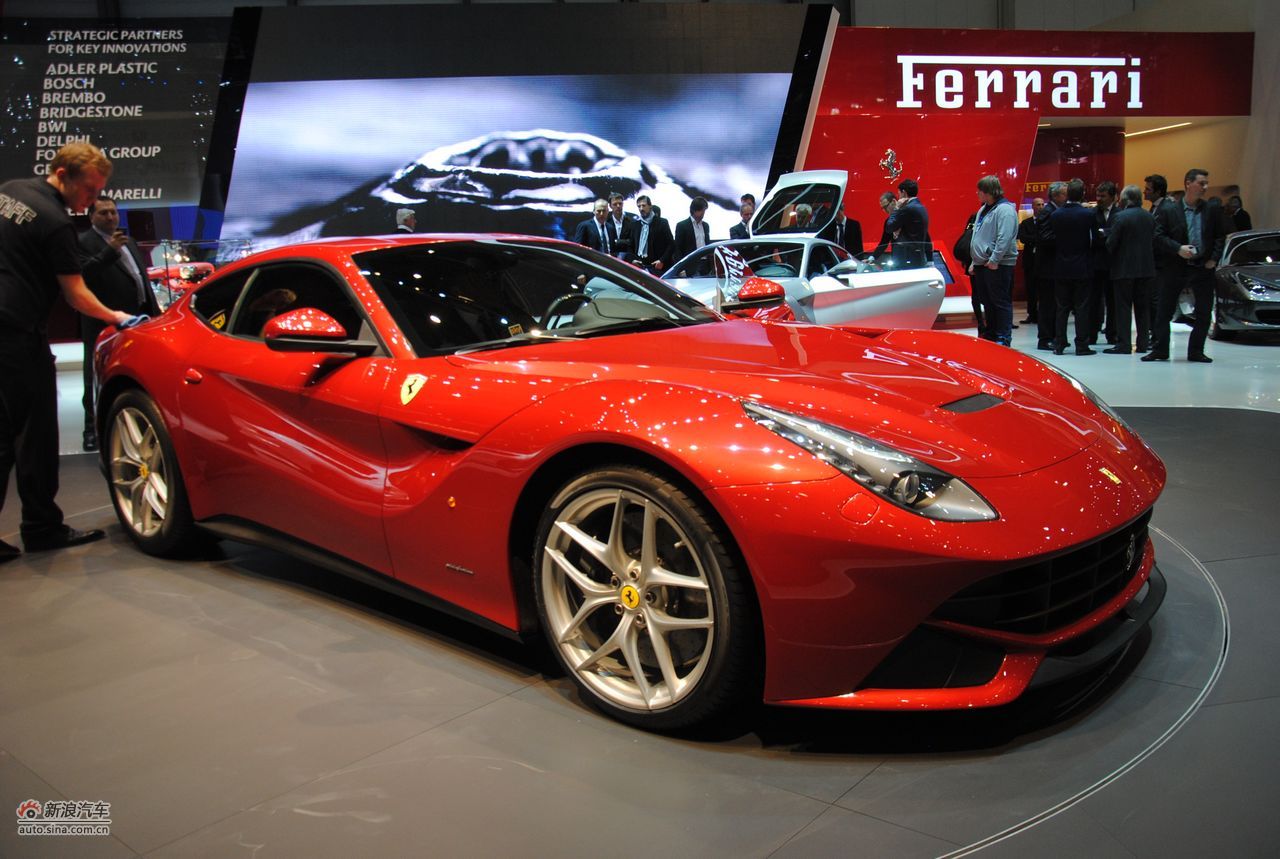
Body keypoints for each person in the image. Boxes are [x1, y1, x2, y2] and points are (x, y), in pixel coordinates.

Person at [0, 142, 133, 559]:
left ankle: (41, 525)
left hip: (10, 332)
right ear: (62, 175)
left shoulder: (9, 191)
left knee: (14, 433)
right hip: (16, 337)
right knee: (30, 435)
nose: (92, 200)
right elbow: (76, 294)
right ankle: (41, 528)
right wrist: (117, 316)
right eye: (89, 190)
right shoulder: (56, 222)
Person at [78, 194, 161, 451]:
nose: (110, 217)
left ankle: (136, 420)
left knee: (137, 371)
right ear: (91, 216)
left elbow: (140, 278)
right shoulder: (83, 242)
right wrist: (109, 251)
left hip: (138, 317)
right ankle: (91, 430)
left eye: (113, 212)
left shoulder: (129, 241)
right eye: (103, 213)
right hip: (103, 321)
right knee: (95, 375)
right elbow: (83, 276)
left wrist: (154, 312)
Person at [1145, 167, 1227, 364]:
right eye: (1201, 183)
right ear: (1188, 183)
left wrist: (1214, 259)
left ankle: (1196, 351)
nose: (1205, 187)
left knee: (1203, 312)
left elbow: (1219, 236)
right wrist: (1178, 248)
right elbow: (1157, 236)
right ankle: (1160, 349)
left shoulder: (1211, 210)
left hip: (1203, 267)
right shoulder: (1169, 210)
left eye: (1206, 183)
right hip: (1176, 266)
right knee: (1164, 310)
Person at [1105, 184, 1157, 355]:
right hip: (1146, 269)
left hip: (1124, 269)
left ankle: (1124, 343)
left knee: (1123, 308)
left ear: (1125, 199)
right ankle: (1143, 343)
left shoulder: (1120, 217)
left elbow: (1111, 243)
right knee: (1143, 308)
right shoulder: (1149, 217)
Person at [968, 175, 1019, 346]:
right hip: (982, 263)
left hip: (998, 264)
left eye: (979, 191)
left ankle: (1003, 337)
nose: (977, 194)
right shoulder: (984, 209)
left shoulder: (1005, 210)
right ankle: (991, 335)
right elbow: (977, 236)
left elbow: (1004, 238)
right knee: (987, 301)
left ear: (987, 192)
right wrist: (974, 262)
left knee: (1000, 302)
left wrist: (995, 259)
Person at [1048, 178, 1095, 355]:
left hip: (1061, 266)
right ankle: (1082, 345)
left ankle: (1059, 343)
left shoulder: (1056, 215)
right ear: (1082, 194)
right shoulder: (1088, 215)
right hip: (1082, 266)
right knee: (1082, 307)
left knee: (1062, 307)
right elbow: (1094, 239)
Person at [1034, 182, 1067, 350]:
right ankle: (1046, 337)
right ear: (1055, 196)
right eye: (1064, 194)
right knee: (1048, 304)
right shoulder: (1048, 212)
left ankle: (1053, 335)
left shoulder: (1053, 211)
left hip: (1051, 265)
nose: (1067, 197)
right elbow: (1045, 238)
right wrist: (1065, 238)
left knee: (1053, 303)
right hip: (1047, 267)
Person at [1090, 181, 1119, 344]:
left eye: (1103, 196)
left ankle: (1112, 333)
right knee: (1094, 300)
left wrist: (1105, 233)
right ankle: (1092, 332)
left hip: (1114, 263)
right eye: (1098, 195)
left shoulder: (1119, 213)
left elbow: (1118, 236)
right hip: (1096, 263)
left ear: (1113, 197)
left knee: (1113, 301)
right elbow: (1093, 236)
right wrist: (1107, 234)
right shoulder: (1092, 213)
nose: (1099, 199)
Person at [885, 178, 931, 267]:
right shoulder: (921, 207)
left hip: (906, 259)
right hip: (918, 257)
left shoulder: (907, 209)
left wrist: (896, 208)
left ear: (904, 192)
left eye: (899, 194)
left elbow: (889, 227)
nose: (899, 197)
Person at [627, 194, 674, 274]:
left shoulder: (662, 223)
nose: (641, 208)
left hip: (657, 267)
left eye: (643, 205)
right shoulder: (635, 225)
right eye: (639, 206)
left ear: (650, 206)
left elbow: (671, 244)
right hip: (640, 267)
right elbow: (630, 245)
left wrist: (662, 260)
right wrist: (632, 260)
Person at [1016, 198, 1043, 324]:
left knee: (1043, 289)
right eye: (1038, 205)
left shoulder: (1047, 222)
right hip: (1030, 261)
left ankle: (1042, 314)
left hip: (1043, 261)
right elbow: (1023, 238)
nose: (1041, 207)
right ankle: (1031, 314)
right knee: (1031, 289)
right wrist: (1037, 239)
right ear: (1033, 206)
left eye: (1042, 204)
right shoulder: (1026, 223)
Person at [672, 196, 712, 268]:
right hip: (690, 264)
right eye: (702, 210)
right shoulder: (682, 225)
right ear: (694, 210)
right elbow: (678, 249)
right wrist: (680, 268)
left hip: (705, 263)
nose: (703, 213)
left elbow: (707, 244)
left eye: (704, 210)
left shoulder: (706, 225)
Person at [605, 192, 635, 260]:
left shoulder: (631, 221)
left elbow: (632, 242)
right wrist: (624, 241)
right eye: (615, 204)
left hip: (627, 258)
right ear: (610, 206)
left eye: (620, 203)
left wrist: (616, 241)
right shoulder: (606, 221)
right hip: (609, 257)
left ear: (623, 204)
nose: (618, 206)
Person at [869, 192, 897, 258]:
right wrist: (872, 258)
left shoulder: (908, 214)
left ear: (893, 201)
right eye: (882, 208)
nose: (885, 211)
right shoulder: (888, 222)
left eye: (886, 207)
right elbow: (884, 242)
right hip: (897, 258)